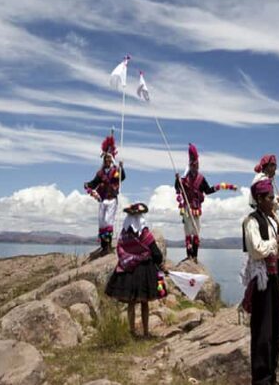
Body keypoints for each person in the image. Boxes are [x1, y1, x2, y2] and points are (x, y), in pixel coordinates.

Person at [241, 178, 279, 385]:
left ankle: (271, 376)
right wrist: (275, 241)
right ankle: (261, 379)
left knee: (274, 331)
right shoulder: (251, 221)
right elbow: (257, 249)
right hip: (261, 284)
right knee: (262, 332)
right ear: (259, 199)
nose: (273, 202)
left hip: (272, 280)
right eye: (270, 198)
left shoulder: (270, 220)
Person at [105, 202, 164, 338]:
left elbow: (120, 250)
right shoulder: (144, 233)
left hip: (128, 271)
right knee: (144, 303)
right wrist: (159, 261)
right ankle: (145, 332)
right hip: (144, 271)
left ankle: (131, 331)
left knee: (131, 303)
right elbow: (156, 253)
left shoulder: (124, 235)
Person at [175, 143, 238, 261]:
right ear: (190, 166)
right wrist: (177, 180)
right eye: (193, 165)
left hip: (196, 209)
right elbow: (178, 189)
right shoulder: (184, 179)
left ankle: (195, 256)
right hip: (187, 209)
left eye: (197, 165)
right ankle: (189, 255)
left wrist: (223, 186)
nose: (195, 167)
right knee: (188, 232)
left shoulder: (201, 179)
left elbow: (208, 190)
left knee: (196, 232)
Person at [250, 154, 279, 282]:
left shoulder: (265, 179)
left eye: (276, 166)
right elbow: (266, 200)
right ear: (267, 166)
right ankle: (274, 281)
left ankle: (274, 280)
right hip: (264, 216)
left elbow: (270, 200)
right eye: (273, 166)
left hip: (268, 215)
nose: (275, 169)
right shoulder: (262, 179)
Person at [85, 133, 126, 255]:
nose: (107, 160)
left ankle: (108, 246)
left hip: (112, 198)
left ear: (112, 159)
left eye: (109, 158)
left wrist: (121, 168)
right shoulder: (100, 173)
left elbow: (122, 177)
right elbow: (94, 182)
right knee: (102, 221)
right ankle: (103, 245)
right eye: (105, 158)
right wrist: (88, 185)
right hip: (103, 199)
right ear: (104, 160)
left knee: (108, 221)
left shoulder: (116, 171)